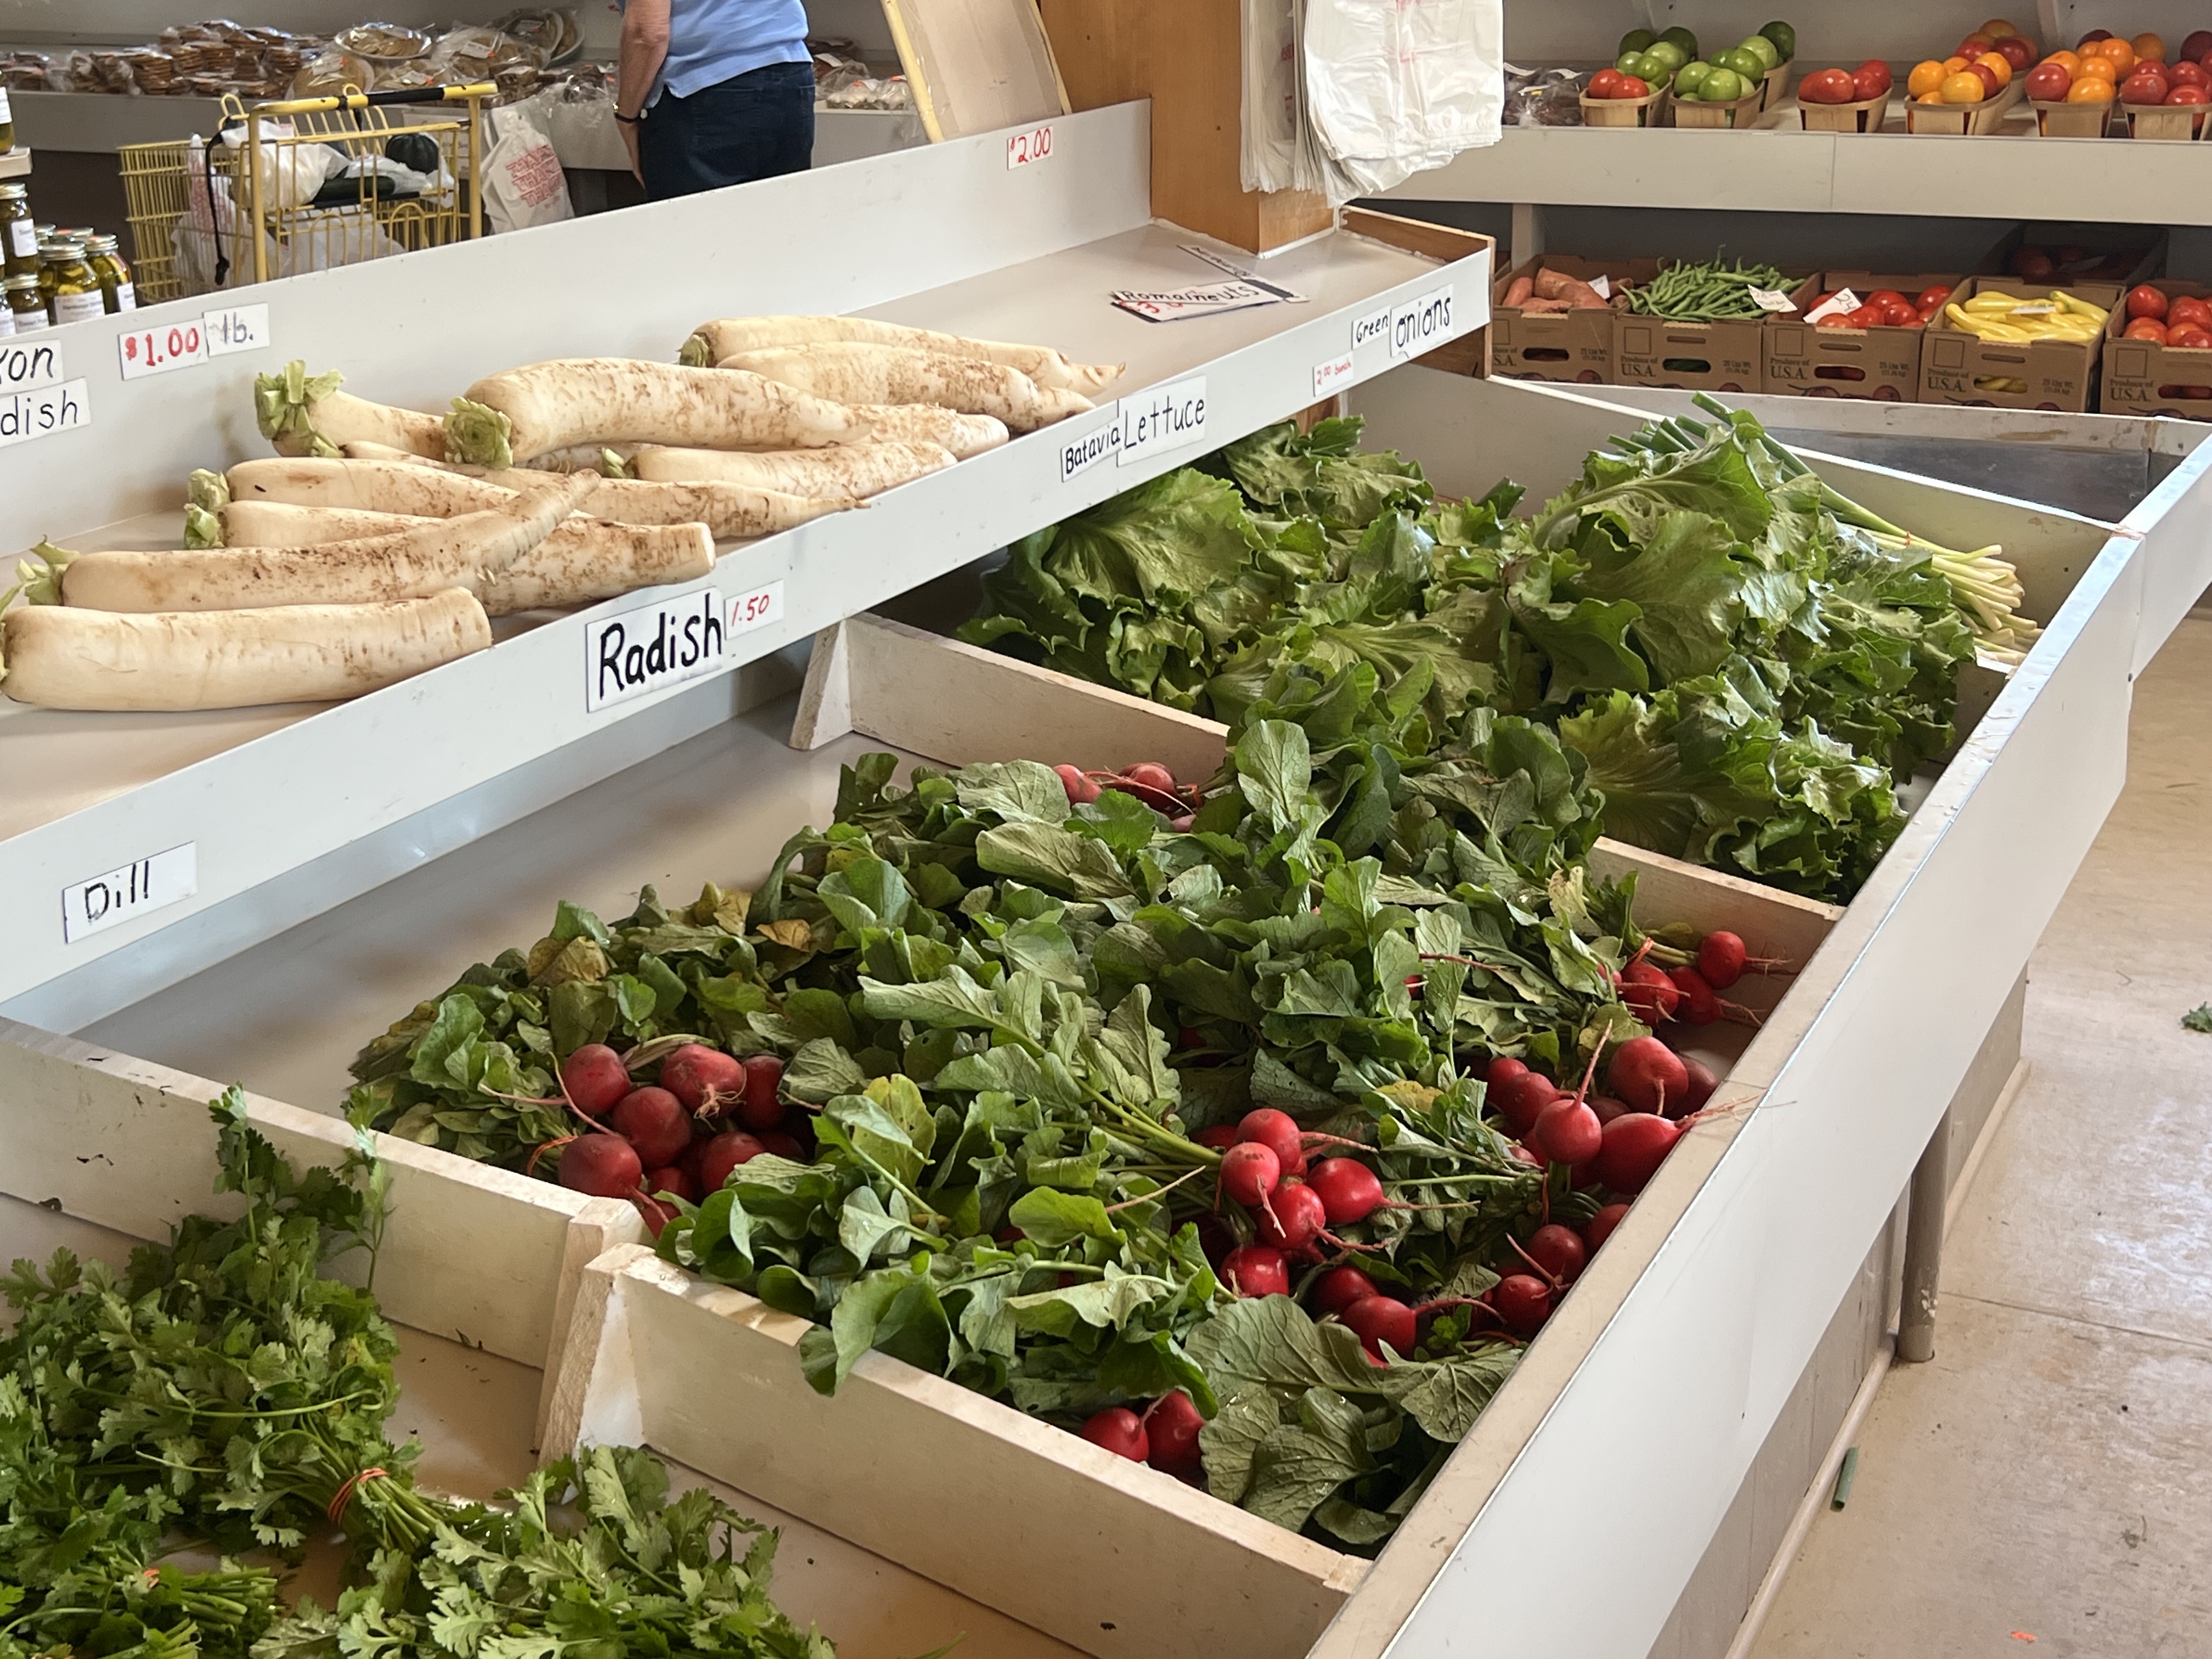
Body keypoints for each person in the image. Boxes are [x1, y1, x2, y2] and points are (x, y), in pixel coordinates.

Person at [614, 0, 815, 201]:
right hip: (790, 75)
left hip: (703, 93)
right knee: (780, 219)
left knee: (696, 226)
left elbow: (647, 34)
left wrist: (625, 117)